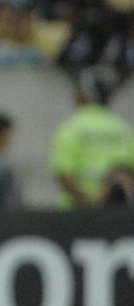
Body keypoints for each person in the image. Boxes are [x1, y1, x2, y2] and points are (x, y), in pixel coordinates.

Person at [49, 70, 134, 208]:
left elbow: (64, 177)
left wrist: (92, 205)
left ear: (81, 97)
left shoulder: (69, 129)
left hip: (76, 213)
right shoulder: (124, 130)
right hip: (117, 214)